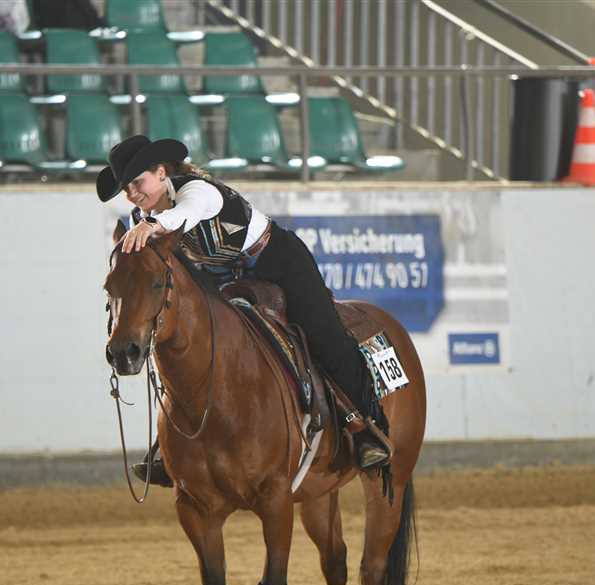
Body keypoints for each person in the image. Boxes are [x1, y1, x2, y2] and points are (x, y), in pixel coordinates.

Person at [98, 135, 391, 485]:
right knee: (194, 345)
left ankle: (363, 427)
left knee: (322, 332)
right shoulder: (142, 219)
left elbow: (184, 215)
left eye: (137, 182)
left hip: (276, 261)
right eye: (126, 189)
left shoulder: (197, 192)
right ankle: (174, 441)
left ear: (161, 172)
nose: (133, 194)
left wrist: (153, 225)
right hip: (219, 278)